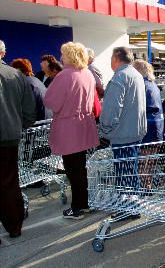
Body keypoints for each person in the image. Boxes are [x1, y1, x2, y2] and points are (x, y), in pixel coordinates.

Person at [43, 42, 100, 220]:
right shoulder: (88, 74)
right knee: (80, 168)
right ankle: (84, 203)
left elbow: (51, 102)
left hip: (69, 128)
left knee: (72, 169)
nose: (61, 57)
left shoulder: (64, 75)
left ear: (69, 55)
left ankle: (77, 207)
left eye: (63, 54)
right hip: (84, 125)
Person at [0, 60, 36, 243]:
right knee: (9, 181)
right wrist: (20, 126)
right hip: (10, 137)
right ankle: (14, 226)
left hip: (9, 134)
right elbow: (30, 108)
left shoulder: (15, 74)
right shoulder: (16, 75)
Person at [100, 46, 147, 165]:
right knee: (130, 175)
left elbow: (112, 108)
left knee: (124, 178)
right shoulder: (136, 74)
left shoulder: (120, 76)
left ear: (115, 58)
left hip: (123, 135)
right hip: (136, 132)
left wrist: (105, 129)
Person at [132, 60, 164, 144]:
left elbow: (134, 106)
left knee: (145, 155)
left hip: (148, 126)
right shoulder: (152, 84)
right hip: (157, 124)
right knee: (151, 154)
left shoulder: (142, 85)